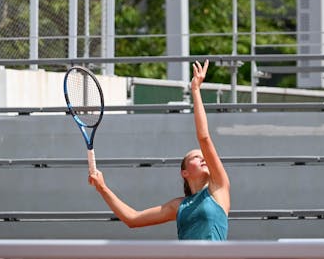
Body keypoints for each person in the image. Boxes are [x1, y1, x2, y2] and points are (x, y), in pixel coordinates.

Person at [88, 59, 230, 240]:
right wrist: (102, 187)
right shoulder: (179, 206)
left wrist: (195, 90)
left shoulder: (219, 187)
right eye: (196, 156)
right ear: (184, 173)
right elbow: (133, 219)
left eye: (203, 156)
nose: (203, 158)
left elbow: (204, 137)